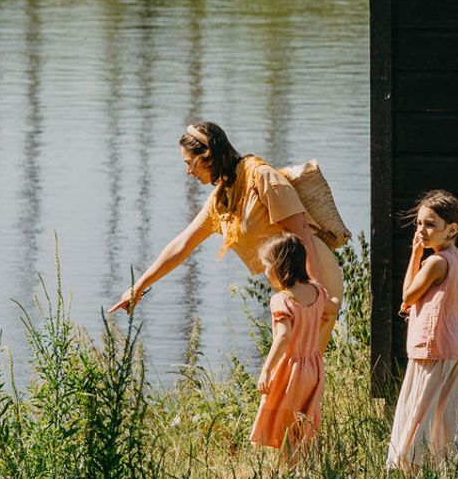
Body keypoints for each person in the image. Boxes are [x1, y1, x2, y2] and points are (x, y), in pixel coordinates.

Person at [109, 122, 345, 346]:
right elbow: (182, 245)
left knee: (290, 372)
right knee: (289, 375)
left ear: (208, 154)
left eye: (190, 162)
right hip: (291, 288)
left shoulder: (260, 176)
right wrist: (137, 287)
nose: (188, 172)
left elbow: (301, 231)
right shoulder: (222, 200)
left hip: (315, 276)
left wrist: (317, 293)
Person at [386, 189, 458, 476]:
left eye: (430, 224)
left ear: (452, 229)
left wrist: (415, 255)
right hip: (457, 348)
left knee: (417, 412)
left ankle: (407, 473)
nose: (422, 230)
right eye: (419, 223)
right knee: (444, 415)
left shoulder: (435, 262)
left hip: (432, 346)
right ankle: (447, 471)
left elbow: (408, 294)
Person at [250, 234, 330, 459]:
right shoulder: (317, 291)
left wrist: (266, 370)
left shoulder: (281, 300)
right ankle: (303, 469)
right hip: (313, 368)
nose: (265, 271)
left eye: (266, 265)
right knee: (301, 424)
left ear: (279, 266)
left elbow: (283, 337)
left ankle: (290, 473)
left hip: (290, 370)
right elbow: (331, 306)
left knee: (284, 423)